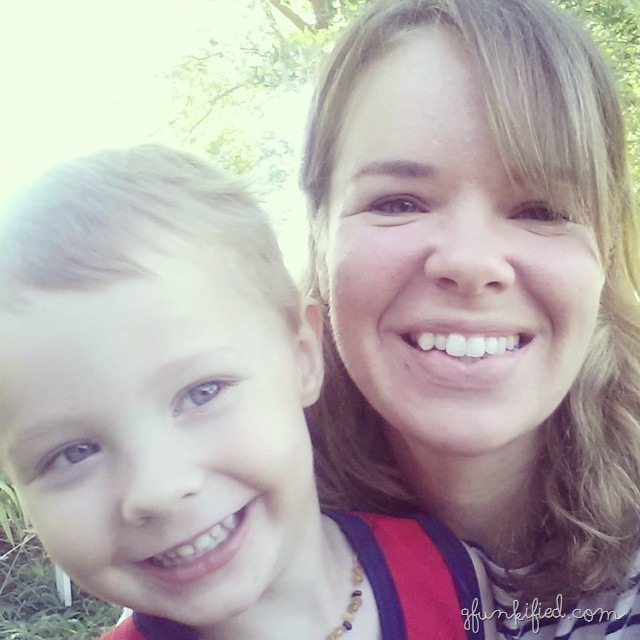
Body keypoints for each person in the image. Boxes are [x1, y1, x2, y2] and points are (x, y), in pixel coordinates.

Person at [0, 144, 487, 640]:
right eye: (72, 453)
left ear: (302, 357)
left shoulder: (449, 568)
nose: (157, 490)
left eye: (202, 392)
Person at [300, 0, 640, 637]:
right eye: (399, 202)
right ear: (319, 237)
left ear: (608, 251)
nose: (471, 261)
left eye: (541, 210)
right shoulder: (225, 531)